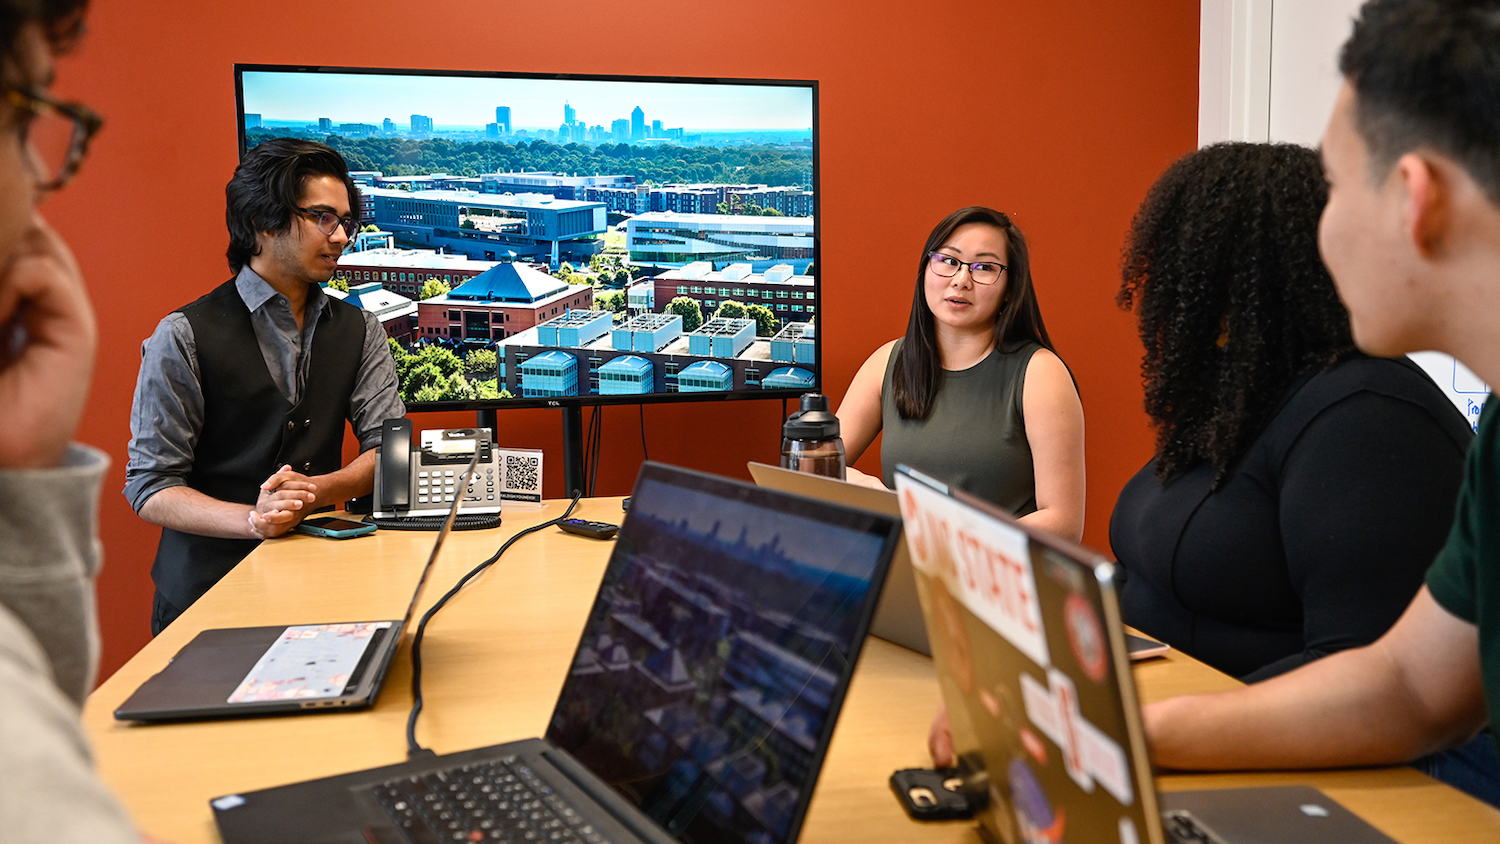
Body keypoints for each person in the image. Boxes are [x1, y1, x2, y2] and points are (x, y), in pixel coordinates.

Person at [1142, 0, 1500, 805]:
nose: (1318, 230)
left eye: (1333, 188)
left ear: (1416, 197)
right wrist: (1122, 731)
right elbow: (1410, 684)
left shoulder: (1368, 411)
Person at [1111, 141, 1471, 683]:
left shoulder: (1365, 415)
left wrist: (1166, 730)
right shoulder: (1239, 396)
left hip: (1279, 750)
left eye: (1176, 261)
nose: (1162, 286)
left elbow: (1360, 679)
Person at [124, 138, 404, 635]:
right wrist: (254, 519)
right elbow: (151, 486)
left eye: (346, 221)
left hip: (324, 585)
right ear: (263, 221)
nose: (341, 237)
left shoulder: (361, 329)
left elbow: (394, 456)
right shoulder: (183, 335)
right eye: (323, 217)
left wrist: (315, 491)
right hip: (204, 601)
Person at [0, 0, 158, 839]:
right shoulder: (183, 335)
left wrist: (18, 465)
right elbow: (151, 482)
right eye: (24, 118)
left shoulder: (351, 323)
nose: (35, 181)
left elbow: (37, 712)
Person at [836, 206, 1085, 541]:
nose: (961, 280)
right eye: (948, 261)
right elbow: (815, 463)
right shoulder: (889, 362)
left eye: (985, 267)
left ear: (1010, 288)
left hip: (996, 580)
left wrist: (952, 537)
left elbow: (1064, 524)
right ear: (926, 267)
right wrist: (868, 488)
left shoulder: (1041, 374)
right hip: (901, 571)